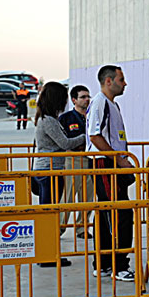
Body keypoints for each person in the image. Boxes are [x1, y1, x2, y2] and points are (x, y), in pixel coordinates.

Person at [87, 65, 136, 282]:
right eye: (121, 79)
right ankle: (118, 264)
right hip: (105, 165)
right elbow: (94, 136)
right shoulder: (100, 103)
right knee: (117, 213)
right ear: (109, 81)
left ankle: (106, 263)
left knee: (111, 211)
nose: (124, 83)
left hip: (111, 164)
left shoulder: (111, 105)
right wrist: (118, 160)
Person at [33, 82, 86, 268]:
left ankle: (49, 253)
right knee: (49, 214)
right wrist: (87, 136)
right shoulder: (48, 120)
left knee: (51, 213)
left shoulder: (48, 118)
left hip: (50, 170)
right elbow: (65, 143)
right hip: (49, 171)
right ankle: (47, 255)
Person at [58, 85, 94, 239]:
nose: (87, 100)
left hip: (90, 159)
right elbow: (64, 141)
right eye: (83, 97)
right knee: (69, 196)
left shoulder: (92, 116)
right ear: (74, 100)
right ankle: (59, 228)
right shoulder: (66, 118)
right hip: (73, 159)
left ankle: (82, 228)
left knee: (88, 196)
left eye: (88, 97)